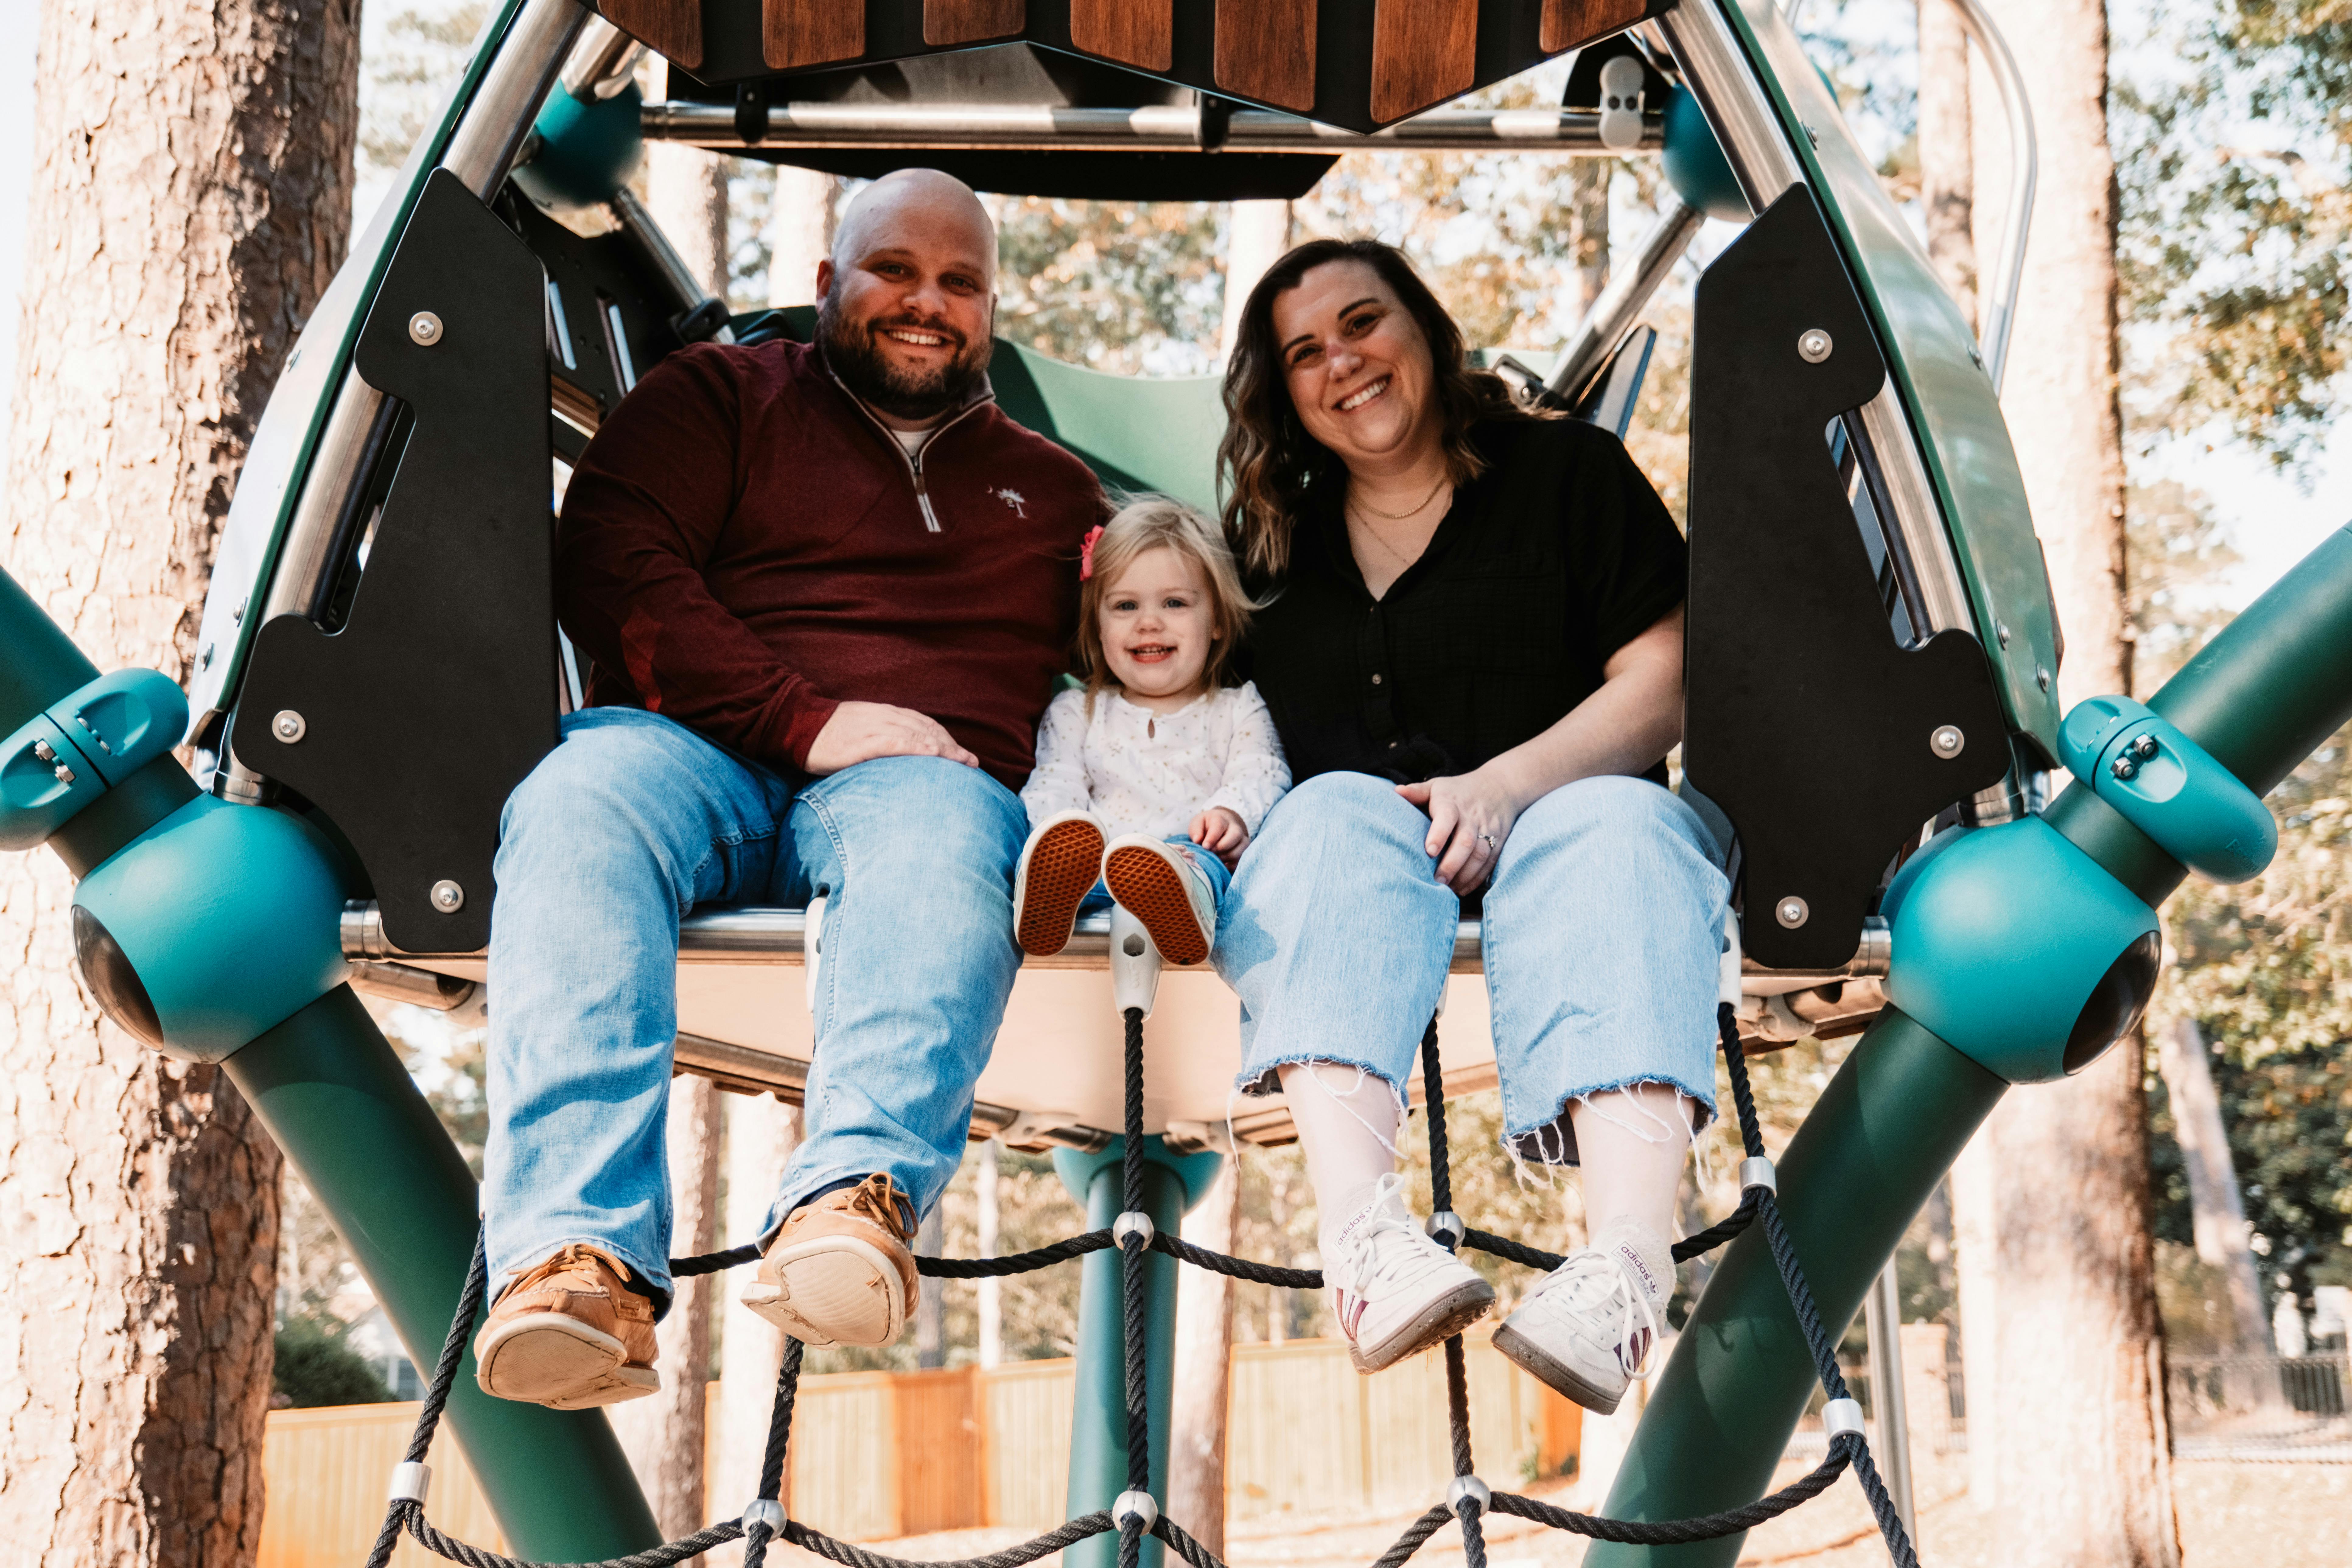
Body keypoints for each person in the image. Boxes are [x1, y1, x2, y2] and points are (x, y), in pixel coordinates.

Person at [471, 169, 1106, 1410]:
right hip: (695, 752)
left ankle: (850, 1197)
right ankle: (573, 1255)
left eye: (961, 281)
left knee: (948, 830)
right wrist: (806, 720)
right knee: (578, 800)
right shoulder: (721, 397)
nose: (928, 301)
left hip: (922, 784)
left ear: (991, 310)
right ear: (828, 283)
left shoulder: (1060, 494)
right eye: (894, 270)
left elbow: (1153, 646)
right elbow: (614, 565)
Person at [1213, 238, 1726, 1410]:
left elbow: (1665, 680)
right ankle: (1361, 1244)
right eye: (1303, 352)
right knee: (1330, 807)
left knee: (1618, 821)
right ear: (1281, 393)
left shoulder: (1566, 475)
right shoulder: (1268, 546)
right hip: (1357, 883)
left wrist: (1501, 790)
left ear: (1427, 332)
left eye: (1362, 322)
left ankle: (1626, 1270)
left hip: (1569, 832)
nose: (1341, 361)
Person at [1013, 496, 1290, 966]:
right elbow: (1055, 782)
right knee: (1064, 856)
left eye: (1174, 603)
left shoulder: (1237, 708)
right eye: (1125, 605)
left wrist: (1231, 814)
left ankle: (1181, 904)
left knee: (1200, 865)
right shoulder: (1077, 711)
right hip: (1096, 863)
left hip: (1188, 854)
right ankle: (1046, 894)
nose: (1148, 622)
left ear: (1218, 620)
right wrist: (1056, 832)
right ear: (1097, 627)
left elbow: (1261, 771)